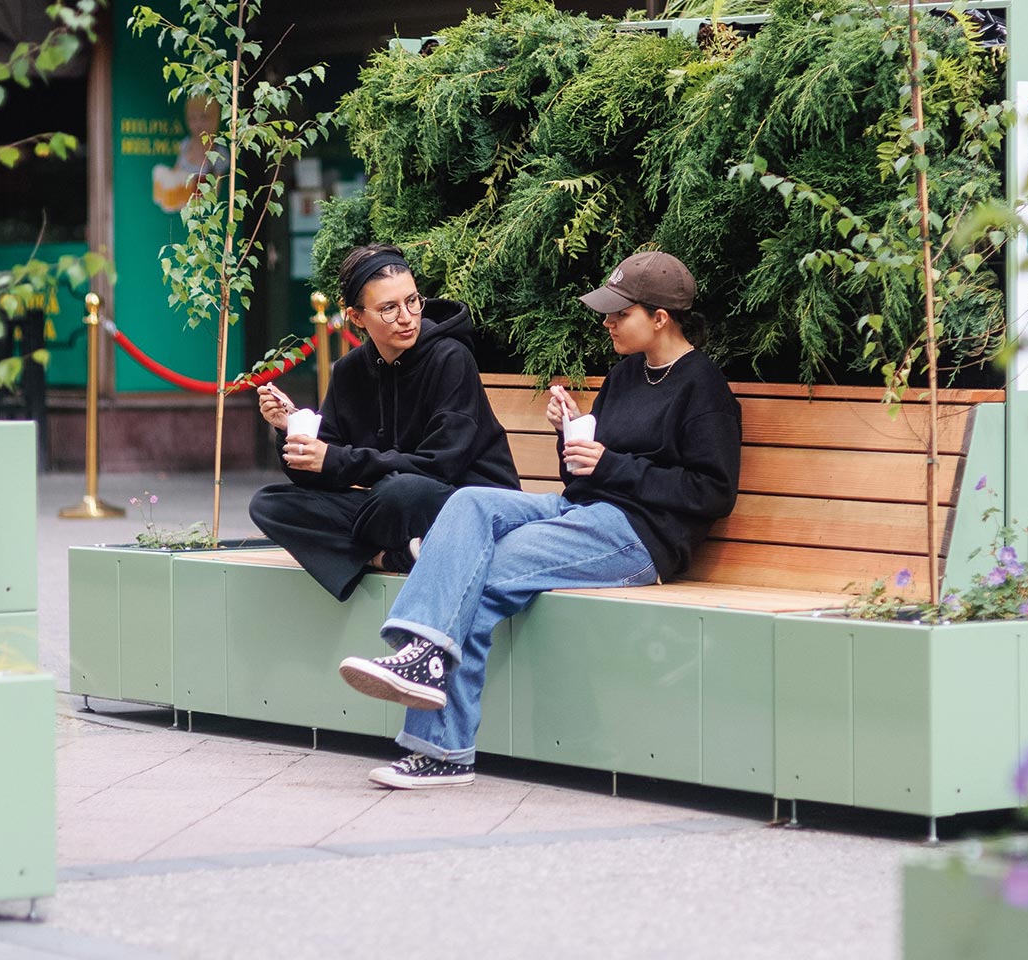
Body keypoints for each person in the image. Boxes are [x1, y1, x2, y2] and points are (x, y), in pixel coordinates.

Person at [337, 251, 741, 789]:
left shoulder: (703, 387)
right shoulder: (625, 375)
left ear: (660, 317)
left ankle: (440, 746)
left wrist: (611, 463)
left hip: (640, 538)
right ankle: (424, 656)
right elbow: (584, 483)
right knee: (471, 501)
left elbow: (712, 493)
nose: (607, 322)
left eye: (621, 314)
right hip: (585, 513)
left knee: (478, 577)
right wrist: (570, 437)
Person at [248, 244, 519, 600]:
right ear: (356, 318)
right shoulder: (349, 371)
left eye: (412, 301)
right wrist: (290, 429)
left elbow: (441, 464)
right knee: (270, 504)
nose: (407, 317)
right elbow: (318, 471)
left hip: (465, 501)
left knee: (401, 491)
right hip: (397, 508)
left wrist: (336, 460)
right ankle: (390, 557)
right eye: (389, 309)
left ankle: (371, 552)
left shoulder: (451, 358)